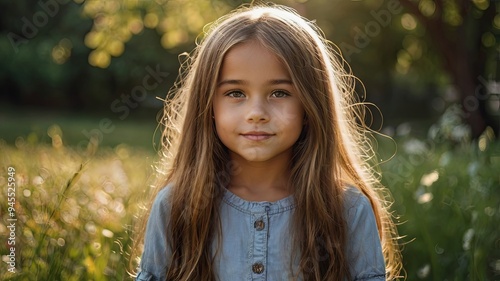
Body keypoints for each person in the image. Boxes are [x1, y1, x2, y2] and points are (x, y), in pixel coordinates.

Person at [133, 3, 402, 281]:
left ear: (311, 105)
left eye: (279, 93)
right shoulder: (176, 206)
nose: (257, 114)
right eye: (236, 92)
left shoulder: (348, 210)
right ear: (208, 105)